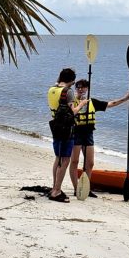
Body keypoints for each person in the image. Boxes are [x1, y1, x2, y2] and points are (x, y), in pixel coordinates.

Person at [69, 79, 129, 198]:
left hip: (88, 134)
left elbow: (110, 104)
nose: (81, 89)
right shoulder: (73, 102)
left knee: (90, 163)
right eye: (78, 87)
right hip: (76, 133)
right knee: (75, 161)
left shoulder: (92, 102)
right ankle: (76, 188)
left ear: (87, 89)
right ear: (76, 89)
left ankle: (85, 187)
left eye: (83, 87)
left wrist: (125, 99)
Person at [46, 68, 78, 202]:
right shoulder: (68, 92)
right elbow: (72, 112)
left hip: (55, 126)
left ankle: (55, 187)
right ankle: (56, 191)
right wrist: (81, 104)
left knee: (58, 158)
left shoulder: (52, 89)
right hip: (66, 128)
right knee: (65, 160)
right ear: (71, 80)